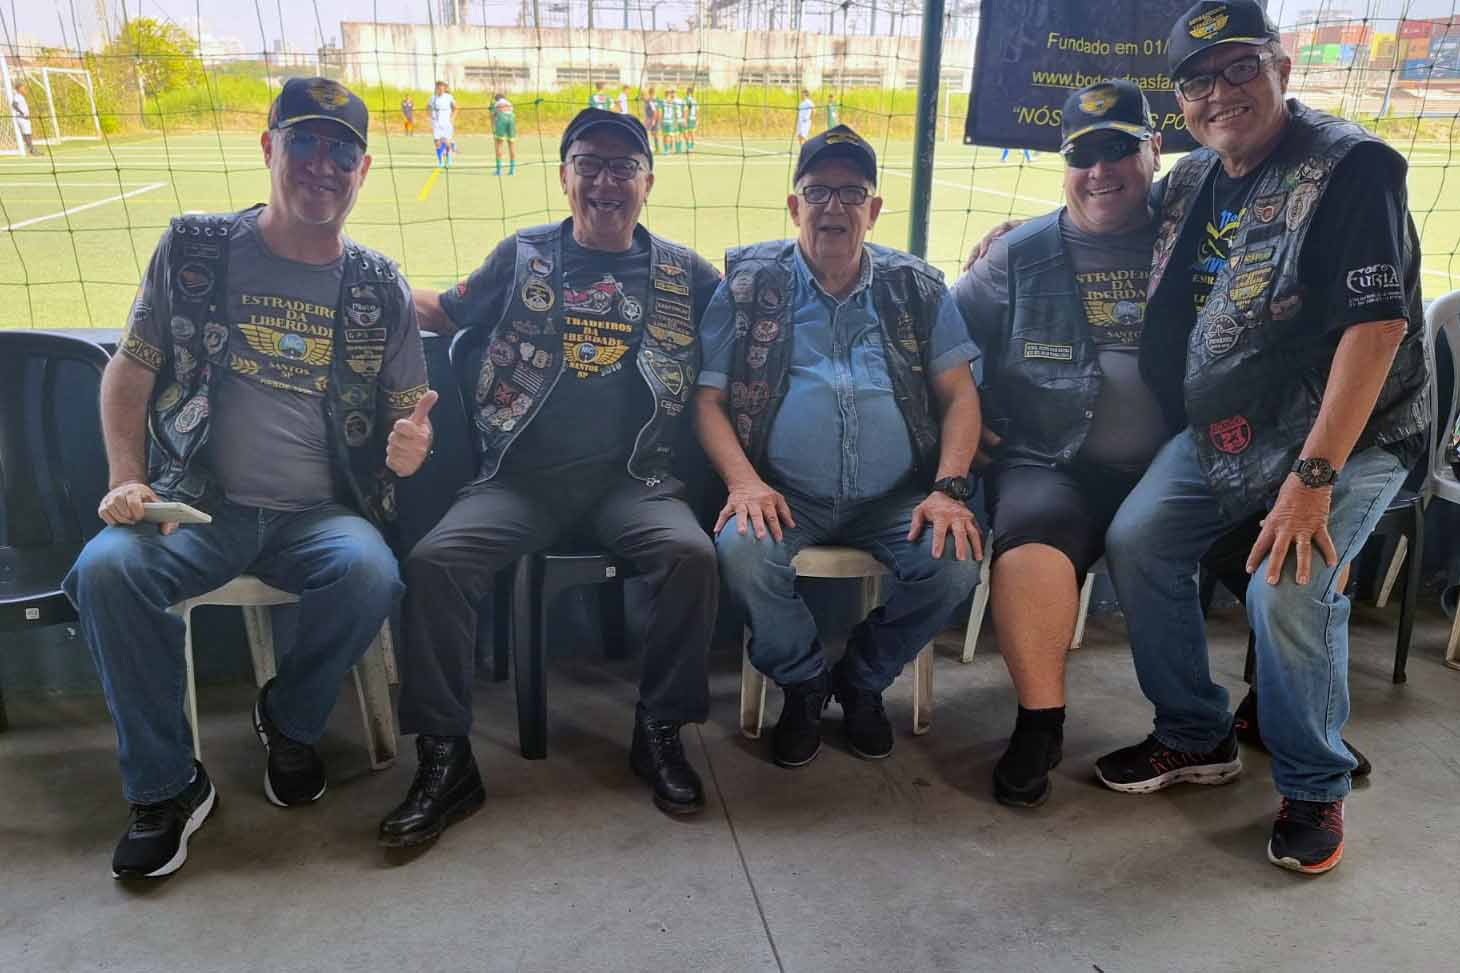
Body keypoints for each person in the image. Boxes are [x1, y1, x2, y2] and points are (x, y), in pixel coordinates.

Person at [63, 77, 431, 881]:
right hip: (197, 505)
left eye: (342, 152)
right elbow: (130, 370)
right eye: (305, 142)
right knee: (106, 570)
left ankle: (289, 721)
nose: (323, 165)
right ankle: (167, 786)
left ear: (364, 170)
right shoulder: (195, 247)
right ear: (269, 148)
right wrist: (128, 478)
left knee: (371, 572)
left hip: (322, 512)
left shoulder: (379, 285)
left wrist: (412, 444)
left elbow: (410, 407)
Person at [1096, 0, 1427, 876]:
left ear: (1281, 67)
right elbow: (1116, 217)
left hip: (1349, 433)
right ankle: (1195, 731)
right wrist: (1007, 238)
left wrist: (1312, 479)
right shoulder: (1196, 176)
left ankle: (1315, 781)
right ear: (1180, 103)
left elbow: (1378, 329)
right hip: (1233, 428)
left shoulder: (1351, 167)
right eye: (1197, 81)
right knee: (1139, 540)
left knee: (1289, 586)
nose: (1220, 93)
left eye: (1240, 67)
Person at [379, 109, 723, 848]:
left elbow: (753, 308)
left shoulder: (684, 272)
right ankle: (445, 758)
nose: (605, 181)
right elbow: (447, 311)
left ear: (648, 182)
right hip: (521, 480)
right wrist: (362, 281)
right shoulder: (523, 255)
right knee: (435, 561)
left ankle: (660, 730)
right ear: (565, 176)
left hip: (634, 482)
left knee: (692, 555)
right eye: (588, 164)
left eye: (623, 167)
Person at [695, 126, 983, 769]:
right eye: (817, 191)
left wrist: (947, 488)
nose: (834, 206)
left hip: (895, 496)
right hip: (783, 492)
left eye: (852, 193)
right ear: (793, 205)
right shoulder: (747, 284)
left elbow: (960, 395)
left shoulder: (916, 286)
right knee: (742, 554)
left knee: (955, 561)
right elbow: (707, 401)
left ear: (873, 210)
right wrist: (744, 483)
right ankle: (803, 683)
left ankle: (862, 679)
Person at [953, 80, 1169, 808]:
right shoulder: (1017, 254)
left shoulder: (1194, 239)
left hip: (1175, 461)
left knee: (1272, 536)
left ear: (1155, 151)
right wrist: (962, 421)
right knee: (1032, 539)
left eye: (1118, 150)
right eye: (1082, 155)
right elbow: (939, 346)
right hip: (1049, 457)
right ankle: (1039, 725)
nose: (1100, 170)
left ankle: (1278, 714)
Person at [428, 80, 457, 167]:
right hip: (436, 124)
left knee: (447, 142)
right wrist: (431, 117)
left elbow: (455, 108)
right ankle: (440, 161)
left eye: (441, 87)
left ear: (444, 88)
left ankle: (449, 158)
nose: (440, 89)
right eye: (438, 87)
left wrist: (452, 118)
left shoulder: (449, 97)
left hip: (446, 123)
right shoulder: (432, 98)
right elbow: (428, 107)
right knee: (437, 142)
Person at [10, 81, 39, 155]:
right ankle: (32, 150)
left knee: (28, 133)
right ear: (19, 88)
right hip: (22, 118)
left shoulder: (21, 96)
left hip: (24, 118)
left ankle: (31, 149)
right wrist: (22, 113)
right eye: (23, 88)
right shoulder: (17, 96)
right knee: (27, 134)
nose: (24, 89)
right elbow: (14, 105)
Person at [491, 91, 516, 175]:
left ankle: (499, 170)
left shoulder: (496, 104)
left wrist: (494, 128)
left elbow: (493, 116)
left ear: (496, 99)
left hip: (502, 119)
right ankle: (512, 170)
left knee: (499, 144)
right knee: (511, 144)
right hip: (511, 119)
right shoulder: (509, 103)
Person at [642, 85, 661, 153]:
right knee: (652, 133)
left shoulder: (651, 101)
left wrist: (653, 120)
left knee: (649, 133)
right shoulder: (650, 100)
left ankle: (654, 147)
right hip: (652, 118)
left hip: (651, 119)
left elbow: (655, 111)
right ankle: (655, 147)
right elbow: (643, 98)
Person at [682, 85, 698, 152]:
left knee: (686, 133)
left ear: (688, 92)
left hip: (689, 118)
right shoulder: (694, 100)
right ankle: (691, 147)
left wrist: (685, 119)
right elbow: (697, 111)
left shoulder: (686, 100)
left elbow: (686, 110)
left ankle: (689, 147)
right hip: (693, 118)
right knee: (692, 133)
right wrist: (697, 119)